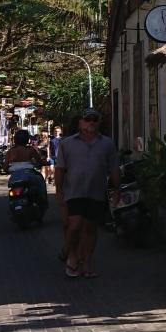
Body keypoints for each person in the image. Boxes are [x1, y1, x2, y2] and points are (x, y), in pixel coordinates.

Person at [56, 108, 118, 278]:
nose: (91, 122)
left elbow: (113, 168)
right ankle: (70, 253)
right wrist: (59, 191)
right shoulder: (67, 144)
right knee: (74, 225)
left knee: (90, 229)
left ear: (99, 122)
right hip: (73, 192)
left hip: (95, 192)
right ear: (80, 122)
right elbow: (60, 169)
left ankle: (86, 262)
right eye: (87, 119)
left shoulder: (107, 144)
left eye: (94, 119)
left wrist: (117, 189)